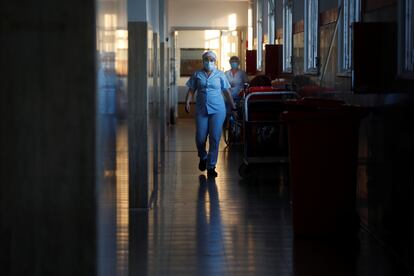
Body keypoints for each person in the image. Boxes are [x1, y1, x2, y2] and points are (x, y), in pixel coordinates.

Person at [185, 51, 238, 177]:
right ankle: (203, 156)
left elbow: (227, 92)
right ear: (203, 60)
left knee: (215, 138)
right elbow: (192, 90)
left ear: (215, 61)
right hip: (201, 110)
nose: (209, 62)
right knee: (200, 138)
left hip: (218, 110)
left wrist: (233, 107)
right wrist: (187, 101)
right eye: (206, 59)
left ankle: (211, 166)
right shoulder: (197, 74)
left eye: (211, 60)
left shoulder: (220, 74)